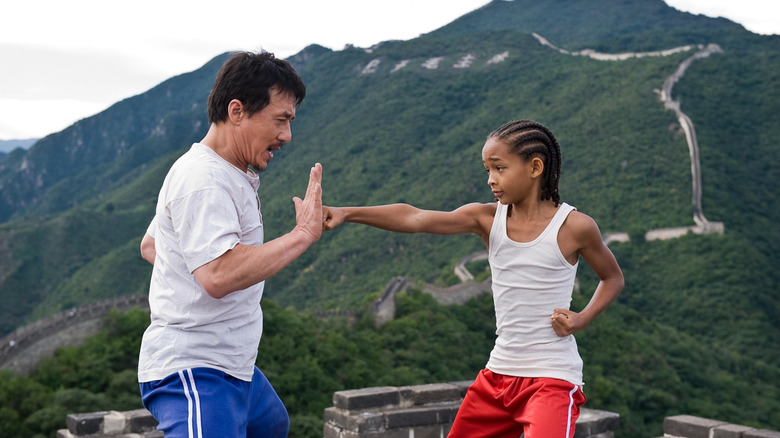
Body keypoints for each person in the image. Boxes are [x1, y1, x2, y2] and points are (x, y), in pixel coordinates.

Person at [322, 120, 624, 438]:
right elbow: (413, 217)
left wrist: (581, 319)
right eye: (487, 170)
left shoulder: (574, 227)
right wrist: (347, 213)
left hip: (551, 378)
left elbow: (612, 278)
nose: (491, 180)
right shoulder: (486, 218)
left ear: (535, 167)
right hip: (497, 376)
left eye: (499, 168)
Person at [138, 51, 323, 438]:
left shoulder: (224, 172)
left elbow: (153, 244)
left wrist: (187, 273)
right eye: (281, 120)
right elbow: (218, 275)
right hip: (194, 365)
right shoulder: (203, 179)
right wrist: (301, 235)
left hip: (234, 362)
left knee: (272, 425)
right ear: (236, 110)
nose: (287, 135)